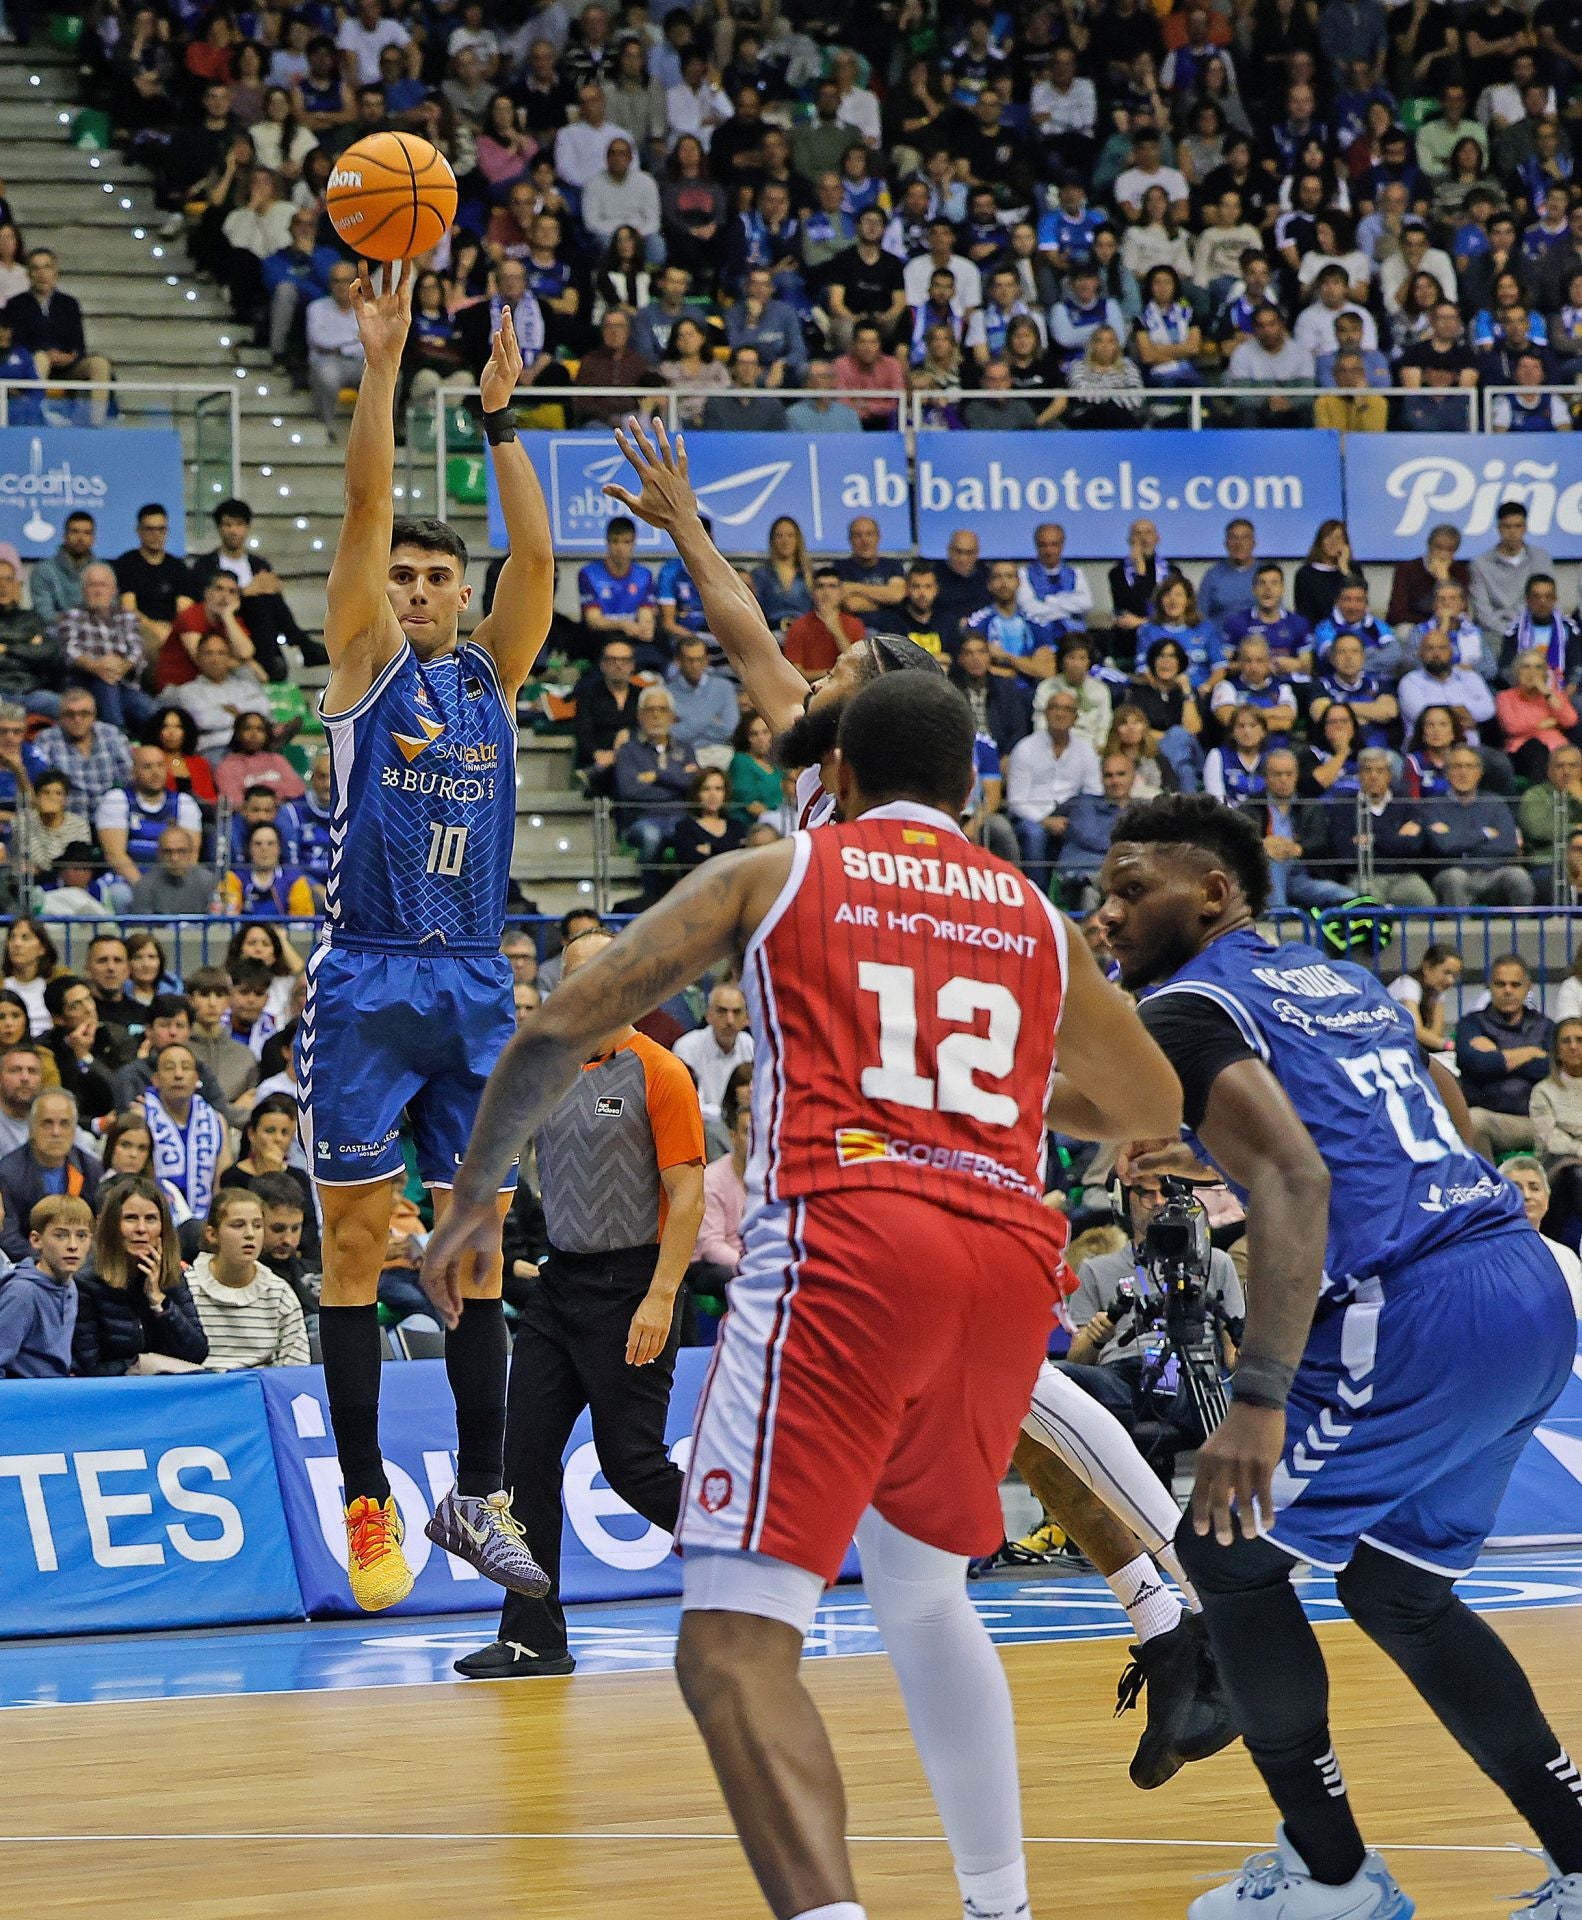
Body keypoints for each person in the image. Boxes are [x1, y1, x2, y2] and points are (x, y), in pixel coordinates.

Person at [422, 669, 1183, 1920]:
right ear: (976, 789)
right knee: (923, 1589)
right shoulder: (1034, 918)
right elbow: (1152, 1106)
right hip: (1005, 1261)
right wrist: (1004, 1099)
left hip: (854, 1236)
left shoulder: (774, 874)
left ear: (835, 780)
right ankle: (1002, 1908)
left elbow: (563, 1022)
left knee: (728, 1647)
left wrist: (467, 1201)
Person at [1092, 795, 1581, 1920]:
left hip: (1409, 1310)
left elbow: (1293, 1178)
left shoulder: (1187, 1001)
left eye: (1129, 889)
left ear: (1210, 893)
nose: (1109, 912)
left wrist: (1258, 1395)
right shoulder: (1332, 979)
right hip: (1522, 1276)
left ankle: (1331, 1877)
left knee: (1222, 1552)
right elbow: (1435, 1102)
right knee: (1398, 1590)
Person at [297, 261, 555, 1612]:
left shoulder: (489, 677)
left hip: (470, 978)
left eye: (432, 575)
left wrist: (501, 417)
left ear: (459, 596)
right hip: (366, 973)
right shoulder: (361, 664)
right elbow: (357, 502)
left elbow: (542, 562)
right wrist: (386, 362)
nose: (410, 586)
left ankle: (479, 1496)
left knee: (478, 1260)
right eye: (398, 573)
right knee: (353, 1254)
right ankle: (361, 1503)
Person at [450, 925, 704, 1679]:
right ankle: (534, 1636)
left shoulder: (661, 1072)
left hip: (635, 1285)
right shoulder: (547, 1071)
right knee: (522, 1462)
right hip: (558, 1287)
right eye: (570, 978)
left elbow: (686, 1194)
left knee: (632, 1465)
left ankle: (750, 1560)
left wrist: (661, 1295)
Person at [72, 1177, 208, 1376]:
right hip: (113, 1395)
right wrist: (141, 1364)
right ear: (112, 1225)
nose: (141, 1229)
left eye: (151, 1219)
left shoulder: (173, 1276)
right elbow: (88, 1367)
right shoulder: (87, 1282)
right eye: (130, 1218)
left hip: (166, 1391)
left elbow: (197, 1353)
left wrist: (160, 1303)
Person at [188, 1186, 310, 1370]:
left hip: (261, 1393)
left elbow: (297, 1372)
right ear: (212, 1234)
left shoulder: (279, 1293)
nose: (250, 1234)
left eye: (257, 1225)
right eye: (238, 1225)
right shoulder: (186, 1287)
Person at [1455, 952, 1554, 1162]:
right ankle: (1490, 1190)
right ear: (1490, 986)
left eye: (1515, 984)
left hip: (1537, 1120)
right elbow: (1476, 1064)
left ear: (1528, 987)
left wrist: (1497, 1055)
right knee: (1474, 1121)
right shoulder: (1471, 1024)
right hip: (1493, 1119)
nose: (1508, 990)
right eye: (1500, 984)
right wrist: (1530, 1053)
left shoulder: (1545, 1026)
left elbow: (1550, 1069)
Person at [1425, 744, 1533, 906]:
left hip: (1495, 873)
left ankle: (1519, 930)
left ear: (1479, 772)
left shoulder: (1496, 803)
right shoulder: (1433, 806)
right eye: (1457, 766)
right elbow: (1443, 845)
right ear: (1447, 773)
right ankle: (1459, 931)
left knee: (1518, 877)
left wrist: (1458, 842)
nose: (1463, 772)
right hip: (1455, 873)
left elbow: (1507, 845)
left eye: (1470, 766)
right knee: (1454, 878)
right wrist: (1485, 834)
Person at [0, 1089, 101, 1260]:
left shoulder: (91, 1169)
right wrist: (51, 1262)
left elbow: (101, 1228)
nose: (56, 1132)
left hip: (82, 1266)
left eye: (64, 1124)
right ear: (31, 1129)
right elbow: (8, 1237)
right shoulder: (7, 1172)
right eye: (47, 1123)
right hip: (30, 1267)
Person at [0, 1193, 92, 1379]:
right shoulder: (22, 1292)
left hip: (55, 1394)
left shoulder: (71, 1287)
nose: (73, 1245)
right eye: (60, 1235)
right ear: (36, 1240)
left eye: (81, 1235)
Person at [673, 982, 753, 1121]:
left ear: (747, 1017)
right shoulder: (686, 1047)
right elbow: (686, 1105)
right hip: (701, 1128)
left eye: (736, 1012)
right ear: (708, 1014)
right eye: (722, 1011)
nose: (729, 1020)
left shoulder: (751, 1046)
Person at [1387, 944, 1463, 1055]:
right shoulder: (1408, 984)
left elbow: (1436, 1033)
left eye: (1455, 976)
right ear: (1427, 968)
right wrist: (1449, 1045)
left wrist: (1444, 1044)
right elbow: (1416, 1031)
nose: (1450, 981)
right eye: (1447, 973)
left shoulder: (1437, 991)